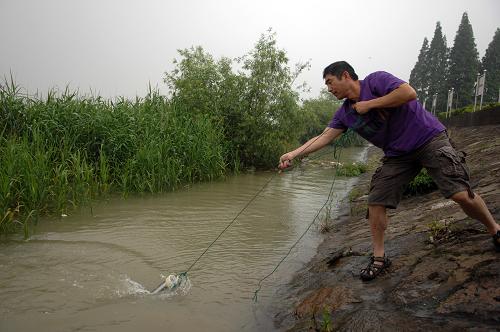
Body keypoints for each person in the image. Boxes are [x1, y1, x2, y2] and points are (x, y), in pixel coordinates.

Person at [279, 61, 500, 281]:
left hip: (428, 139)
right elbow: (324, 137)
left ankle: (495, 229)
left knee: (459, 193)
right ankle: (379, 258)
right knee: (376, 200)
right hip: (397, 156)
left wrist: (370, 105)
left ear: (345, 75)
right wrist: (293, 154)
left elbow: (408, 93)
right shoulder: (344, 113)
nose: (328, 89)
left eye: (330, 82)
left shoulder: (376, 81)